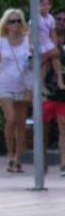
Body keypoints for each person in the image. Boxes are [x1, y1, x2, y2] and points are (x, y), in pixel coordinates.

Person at [0, 9, 31, 173]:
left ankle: (18, 159)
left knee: (21, 123)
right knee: (11, 118)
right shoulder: (0, 43)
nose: (15, 24)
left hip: (23, 85)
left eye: (18, 21)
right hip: (4, 84)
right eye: (12, 21)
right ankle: (10, 154)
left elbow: (33, 62)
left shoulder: (28, 41)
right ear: (6, 24)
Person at [43, 27, 65, 175]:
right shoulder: (45, 51)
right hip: (48, 94)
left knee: (63, 127)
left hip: (62, 94)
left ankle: (63, 162)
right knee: (44, 129)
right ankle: (42, 159)